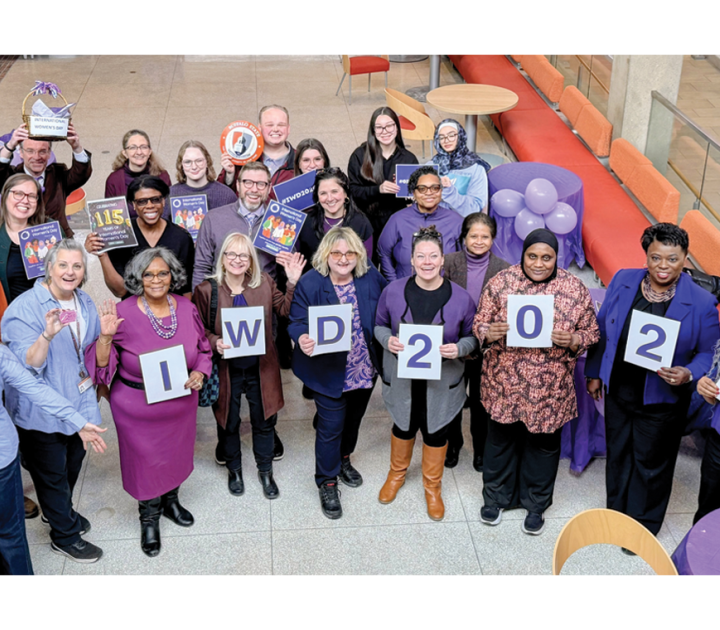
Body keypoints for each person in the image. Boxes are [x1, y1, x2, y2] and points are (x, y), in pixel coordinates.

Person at [586, 223, 719, 538]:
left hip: (663, 399)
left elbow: (708, 353)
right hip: (619, 388)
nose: (663, 266)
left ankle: (642, 528)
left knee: (652, 465)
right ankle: (615, 516)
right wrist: (594, 372)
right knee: (618, 455)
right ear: (646, 254)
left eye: (673, 259)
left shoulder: (700, 302)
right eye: (656, 257)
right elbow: (602, 329)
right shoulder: (623, 280)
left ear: (685, 258)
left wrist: (688, 372)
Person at [87, 247, 212, 558]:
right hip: (136, 409)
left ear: (172, 276)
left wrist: (199, 371)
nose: (156, 279)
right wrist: (104, 338)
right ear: (138, 278)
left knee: (176, 456)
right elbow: (101, 368)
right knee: (144, 463)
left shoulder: (186, 307)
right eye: (149, 274)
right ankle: (149, 517)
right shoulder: (122, 312)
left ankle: (171, 502)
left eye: (163, 273)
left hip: (180, 404)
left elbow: (203, 349)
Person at [474, 229, 599, 535]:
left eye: (547, 257)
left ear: (557, 258)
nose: (539, 263)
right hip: (503, 383)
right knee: (500, 443)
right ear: (523, 254)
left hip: (550, 390)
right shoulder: (501, 282)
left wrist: (574, 339)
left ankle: (536, 504)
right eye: (533, 256)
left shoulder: (574, 288)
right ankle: (495, 498)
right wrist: (488, 333)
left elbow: (592, 332)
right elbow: (478, 322)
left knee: (542, 449)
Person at [1, 239, 108, 563]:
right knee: (52, 475)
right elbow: (27, 366)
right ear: (48, 268)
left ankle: (56, 511)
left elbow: (85, 352)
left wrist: (106, 336)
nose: (70, 272)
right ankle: (64, 535)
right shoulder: (24, 307)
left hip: (78, 406)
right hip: (40, 413)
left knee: (72, 464)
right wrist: (46, 335)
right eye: (63, 265)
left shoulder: (84, 301)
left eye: (77, 266)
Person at [374, 227, 477, 521]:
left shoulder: (461, 298)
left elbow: (473, 338)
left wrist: (458, 349)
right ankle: (396, 474)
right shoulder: (392, 291)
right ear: (412, 259)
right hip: (404, 379)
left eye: (433, 256)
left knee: (436, 431)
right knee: (403, 426)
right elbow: (379, 326)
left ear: (442, 259)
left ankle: (433, 487)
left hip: (442, 382)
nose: (427, 261)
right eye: (421, 256)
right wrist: (387, 341)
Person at [193, 233, 304, 499]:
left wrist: (292, 283)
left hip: (261, 367)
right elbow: (199, 331)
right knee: (228, 423)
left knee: (264, 421)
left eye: (243, 255)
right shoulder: (207, 290)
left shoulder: (264, 283)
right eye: (231, 254)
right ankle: (234, 470)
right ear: (222, 259)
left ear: (251, 260)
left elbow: (285, 310)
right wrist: (215, 341)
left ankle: (265, 471)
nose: (237, 260)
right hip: (227, 369)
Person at [289, 227, 387, 519]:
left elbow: (388, 307)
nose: (343, 259)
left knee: (353, 422)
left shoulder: (370, 278)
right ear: (326, 255)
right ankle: (327, 481)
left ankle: (344, 459)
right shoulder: (311, 283)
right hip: (326, 371)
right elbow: (295, 321)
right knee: (331, 427)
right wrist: (302, 337)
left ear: (358, 255)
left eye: (350, 253)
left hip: (364, 368)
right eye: (337, 253)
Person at [0, 344, 107, 575]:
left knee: (9, 533)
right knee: (9, 534)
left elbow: (31, 386)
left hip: (3, 460)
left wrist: (76, 420)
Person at [443, 212, 509, 470]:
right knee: (452, 398)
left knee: (481, 403)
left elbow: (504, 312)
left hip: (487, 349)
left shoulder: (503, 269)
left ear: (492, 239)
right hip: (453, 345)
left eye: (485, 236)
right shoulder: (448, 263)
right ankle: (453, 444)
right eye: (474, 236)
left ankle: (480, 450)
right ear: (464, 237)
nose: (479, 241)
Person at [85, 175, 194, 299]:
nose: (149, 205)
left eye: (155, 199)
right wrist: (102, 254)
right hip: (134, 311)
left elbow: (186, 288)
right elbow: (120, 291)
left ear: (163, 201)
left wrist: (186, 315)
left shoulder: (181, 237)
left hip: (171, 311)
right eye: (142, 201)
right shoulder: (122, 233)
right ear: (133, 205)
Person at [193, 162, 277, 290]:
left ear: (269, 188)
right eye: (248, 182)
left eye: (261, 184)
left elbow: (286, 271)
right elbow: (201, 267)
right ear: (238, 185)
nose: (254, 189)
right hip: (222, 298)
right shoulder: (213, 218)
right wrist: (199, 304)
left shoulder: (279, 222)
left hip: (263, 299)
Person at [0, 122, 91, 237]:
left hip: (58, 244)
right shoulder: (12, 177)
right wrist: (10, 145)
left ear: (49, 154)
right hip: (21, 243)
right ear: (21, 153)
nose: (37, 157)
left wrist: (76, 147)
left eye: (42, 151)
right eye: (30, 151)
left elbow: (81, 174)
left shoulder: (58, 175)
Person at [377, 165, 463, 281]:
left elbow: (464, 259)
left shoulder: (456, 221)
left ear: (441, 191)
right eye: (422, 189)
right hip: (404, 288)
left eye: (435, 188)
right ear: (413, 193)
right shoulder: (397, 219)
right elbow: (383, 252)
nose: (429, 193)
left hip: (445, 289)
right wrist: (393, 283)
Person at [347, 107, 418, 244]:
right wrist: (378, 189)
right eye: (379, 127)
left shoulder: (409, 159)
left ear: (397, 128)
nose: (384, 131)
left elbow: (412, 195)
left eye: (389, 126)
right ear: (373, 131)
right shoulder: (359, 155)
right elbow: (353, 191)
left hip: (397, 223)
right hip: (366, 223)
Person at [296, 168, 373, 271]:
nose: (330, 198)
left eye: (334, 191)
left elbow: (365, 265)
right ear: (317, 197)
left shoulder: (361, 223)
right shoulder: (306, 223)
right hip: (314, 284)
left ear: (345, 193)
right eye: (323, 193)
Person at [220, 105, 295, 192]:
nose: (275, 129)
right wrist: (229, 175)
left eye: (281, 125)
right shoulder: (242, 158)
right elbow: (222, 196)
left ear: (288, 129)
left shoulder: (301, 161)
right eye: (269, 125)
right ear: (259, 128)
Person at [428, 119, 490, 217]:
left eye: (451, 135)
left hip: (460, 223)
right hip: (431, 220)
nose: (446, 140)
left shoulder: (475, 168)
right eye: (441, 137)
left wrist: (449, 192)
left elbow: (474, 209)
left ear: (460, 136)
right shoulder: (431, 165)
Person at [105, 130, 171, 216]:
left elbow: (168, 211)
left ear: (150, 151)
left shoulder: (162, 176)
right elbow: (110, 215)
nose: (139, 152)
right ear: (125, 153)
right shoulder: (114, 180)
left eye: (143, 147)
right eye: (133, 148)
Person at [169, 140, 238, 210]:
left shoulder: (226, 195)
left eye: (199, 161)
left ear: (207, 162)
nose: (194, 167)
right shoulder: (170, 194)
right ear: (181, 165)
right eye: (187, 162)